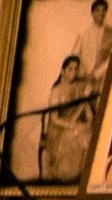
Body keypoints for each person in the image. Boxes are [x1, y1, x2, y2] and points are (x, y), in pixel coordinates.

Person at [37, 53, 97, 185]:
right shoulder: (56, 91)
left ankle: (85, 179)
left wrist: (86, 100)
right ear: (63, 70)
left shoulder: (78, 88)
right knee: (76, 135)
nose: (73, 72)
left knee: (89, 134)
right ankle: (66, 179)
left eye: (76, 69)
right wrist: (74, 126)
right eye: (70, 68)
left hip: (73, 125)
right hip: (57, 130)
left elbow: (89, 115)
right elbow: (54, 120)